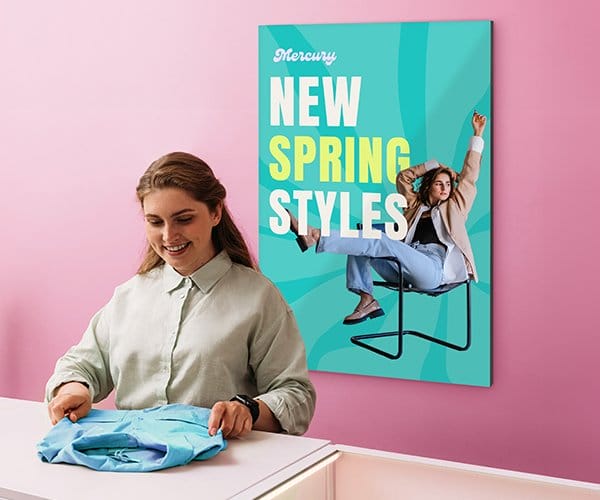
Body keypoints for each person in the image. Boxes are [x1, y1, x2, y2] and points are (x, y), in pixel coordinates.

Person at [46, 152, 316, 438]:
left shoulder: (259, 298)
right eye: (155, 221)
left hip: (224, 471)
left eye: (183, 219)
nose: (168, 236)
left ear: (215, 212)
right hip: (131, 464)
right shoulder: (129, 296)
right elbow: (81, 364)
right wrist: (73, 390)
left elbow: (297, 397)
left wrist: (248, 409)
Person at [288, 111, 487, 325]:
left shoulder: (455, 207)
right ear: (429, 186)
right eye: (439, 183)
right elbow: (404, 178)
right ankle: (367, 299)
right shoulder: (415, 207)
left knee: (379, 239)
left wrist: (477, 135)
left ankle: (316, 235)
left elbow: (469, 177)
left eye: (448, 184)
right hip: (404, 264)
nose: (445, 188)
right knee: (366, 233)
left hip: (433, 269)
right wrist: (433, 164)